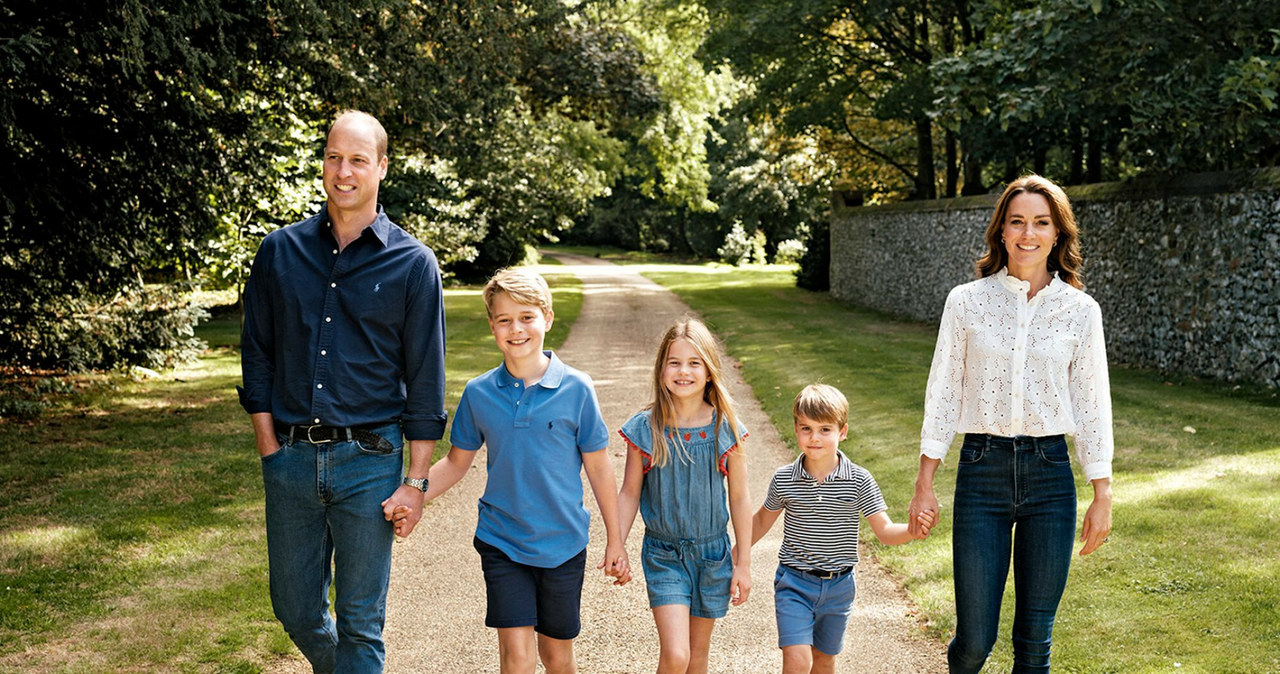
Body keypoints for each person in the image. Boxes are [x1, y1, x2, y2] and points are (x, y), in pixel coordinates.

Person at [238, 110, 446, 673]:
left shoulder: (413, 263)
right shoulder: (280, 253)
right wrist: (268, 448)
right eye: (334, 157)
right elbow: (256, 352)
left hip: (371, 461)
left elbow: (426, 380)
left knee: (360, 621)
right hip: (291, 458)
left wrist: (416, 482)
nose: (344, 171)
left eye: (358, 159)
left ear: (381, 167)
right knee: (297, 610)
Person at [908, 174, 1114, 673]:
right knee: (975, 642)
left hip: (1050, 477)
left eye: (1041, 223)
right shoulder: (966, 301)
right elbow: (943, 393)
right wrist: (924, 482)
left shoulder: (1080, 312)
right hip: (982, 471)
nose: (1028, 233)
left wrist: (1102, 493)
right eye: (1017, 221)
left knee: (1034, 643)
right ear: (1000, 231)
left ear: (1058, 234)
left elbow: (1091, 402)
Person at [398, 267, 628, 674]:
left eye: (526, 317)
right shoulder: (479, 392)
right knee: (517, 659)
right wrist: (413, 492)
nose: (516, 329)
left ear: (548, 319)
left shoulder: (577, 388)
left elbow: (598, 466)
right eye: (504, 320)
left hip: (563, 543)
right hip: (502, 540)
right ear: (492, 326)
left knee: (556, 657)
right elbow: (456, 462)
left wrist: (615, 540)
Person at [749, 384, 935, 674]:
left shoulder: (859, 480)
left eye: (825, 429)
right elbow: (760, 520)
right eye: (806, 428)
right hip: (794, 583)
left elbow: (884, 531)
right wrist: (736, 554)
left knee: (824, 661)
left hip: (839, 587)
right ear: (796, 429)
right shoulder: (784, 479)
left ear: (842, 432)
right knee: (798, 661)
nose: (814, 438)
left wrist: (911, 531)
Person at [617, 317, 753, 674]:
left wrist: (744, 562)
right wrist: (616, 542)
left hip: (712, 556)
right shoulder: (646, 428)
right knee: (676, 655)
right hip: (664, 554)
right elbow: (630, 492)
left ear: (709, 371)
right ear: (661, 368)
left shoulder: (725, 427)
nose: (683, 371)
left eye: (694, 363)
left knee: (696, 658)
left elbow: (739, 498)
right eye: (674, 362)